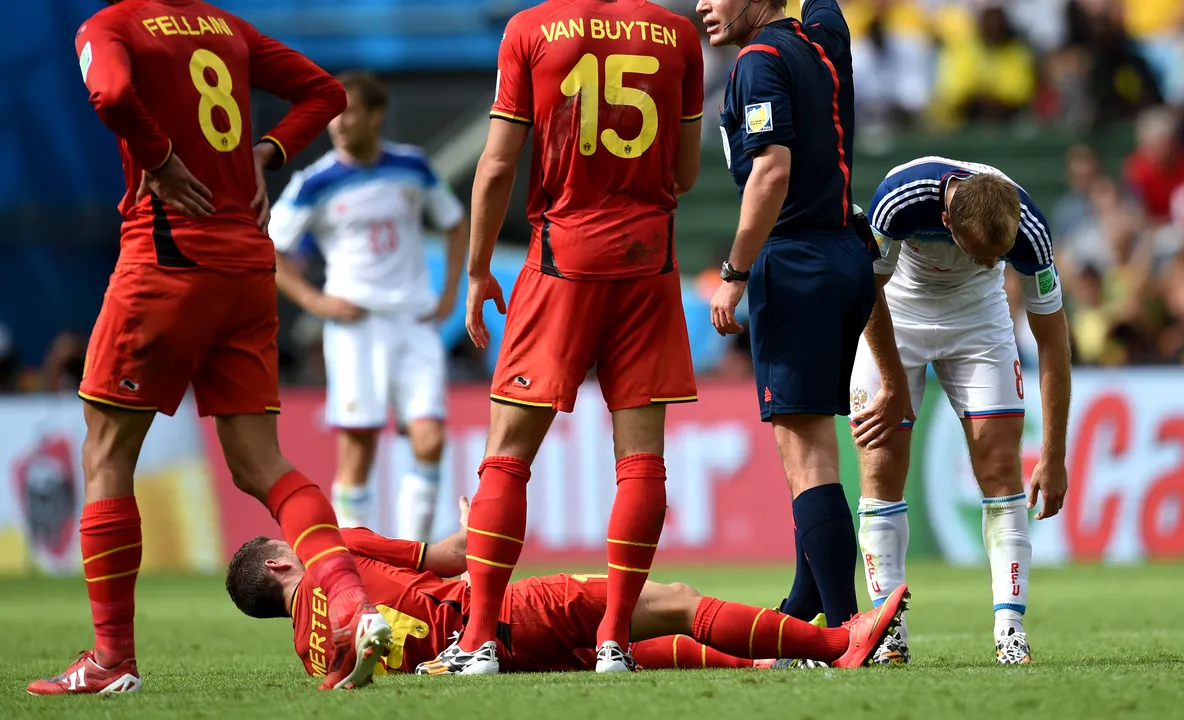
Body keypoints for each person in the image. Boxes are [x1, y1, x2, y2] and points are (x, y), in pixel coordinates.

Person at [29, 0, 392, 695]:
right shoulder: (226, 26)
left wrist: (161, 159)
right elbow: (327, 92)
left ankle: (112, 660)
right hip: (248, 267)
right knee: (263, 464)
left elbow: (108, 91)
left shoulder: (112, 25)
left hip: (167, 259)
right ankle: (352, 605)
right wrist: (269, 151)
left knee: (106, 452)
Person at [431, 0, 706, 676]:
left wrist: (476, 270)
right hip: (649, 259)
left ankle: (480, 640)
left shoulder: (531, 28)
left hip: (562, 258)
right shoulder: (676, 35)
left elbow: (496, 166)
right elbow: (687, 173)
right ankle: (614, 639)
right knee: (641, 463)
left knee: (507, 459)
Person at [699, 0, 900, 642]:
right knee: (810, 444)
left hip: (795, 262)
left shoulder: (757, 62)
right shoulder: (824, 42)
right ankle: (803, 600)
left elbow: (772, 171)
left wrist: (733, 273)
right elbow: (828, 9)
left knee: (806, 455)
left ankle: (842, 629)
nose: (703, 3)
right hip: (847, 256)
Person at [225, 498, 906, 674]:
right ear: (282, 563)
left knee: (628, 642)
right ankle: (830, 643)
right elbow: (457, 556)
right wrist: (482, 514)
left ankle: (764, 659)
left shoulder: (310, 651)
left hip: (477, 658)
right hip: (497, 619)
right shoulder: (330, 552)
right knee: (669, 601)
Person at [851, 156, 1072, 665]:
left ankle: (1010, 631)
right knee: (880, 464)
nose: (989, 262)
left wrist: (1054, 453)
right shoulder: (898, 198)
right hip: (896, 311)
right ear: (947, 220)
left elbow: (1054, 344)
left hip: (978, 318)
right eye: (979, 254)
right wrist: (891, 382)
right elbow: (867, 292)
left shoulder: (1030, 229)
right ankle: (888, 630)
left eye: (998, 258)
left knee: (1000, 468)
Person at [270, 71, 468, 542]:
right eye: (332, 115)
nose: (338, 124)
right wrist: (314, 300)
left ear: (375, 115)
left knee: (430, 440)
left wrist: (448, 295)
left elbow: (455, 222)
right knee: (358, 449)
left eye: (349, 111)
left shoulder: (413, 167)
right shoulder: (314, 183)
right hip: (357, 328)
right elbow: (267, 247)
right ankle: (359, 566)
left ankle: (415, 558)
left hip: (415, 323)